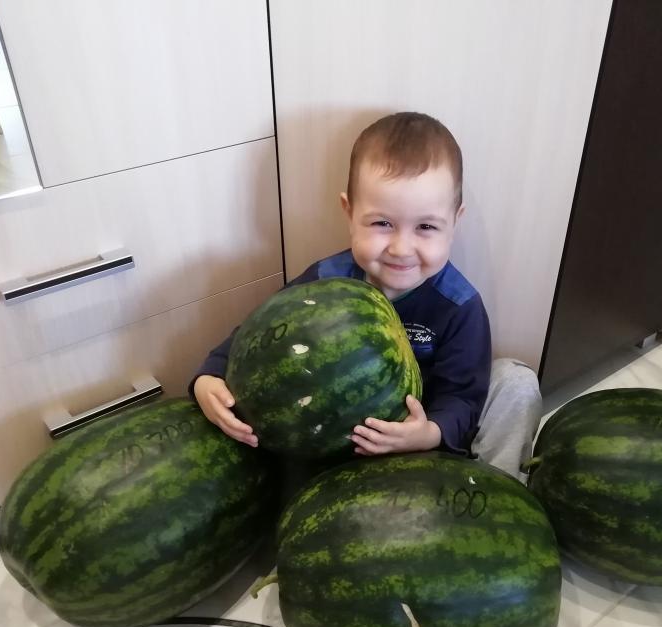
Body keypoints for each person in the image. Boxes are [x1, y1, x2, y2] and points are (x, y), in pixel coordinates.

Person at [191, 112, 541, 480]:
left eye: (425, 226)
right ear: (349, 212)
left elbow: (463, 398)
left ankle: (495, 488)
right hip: (347, 441)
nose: (401, 248)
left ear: (454, 222)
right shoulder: (327, 280)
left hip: (432, 439)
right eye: (382, 223)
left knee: (515, 382)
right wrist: (209, 377)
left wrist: (429, 432)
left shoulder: (459, 305)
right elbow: (263, 336)